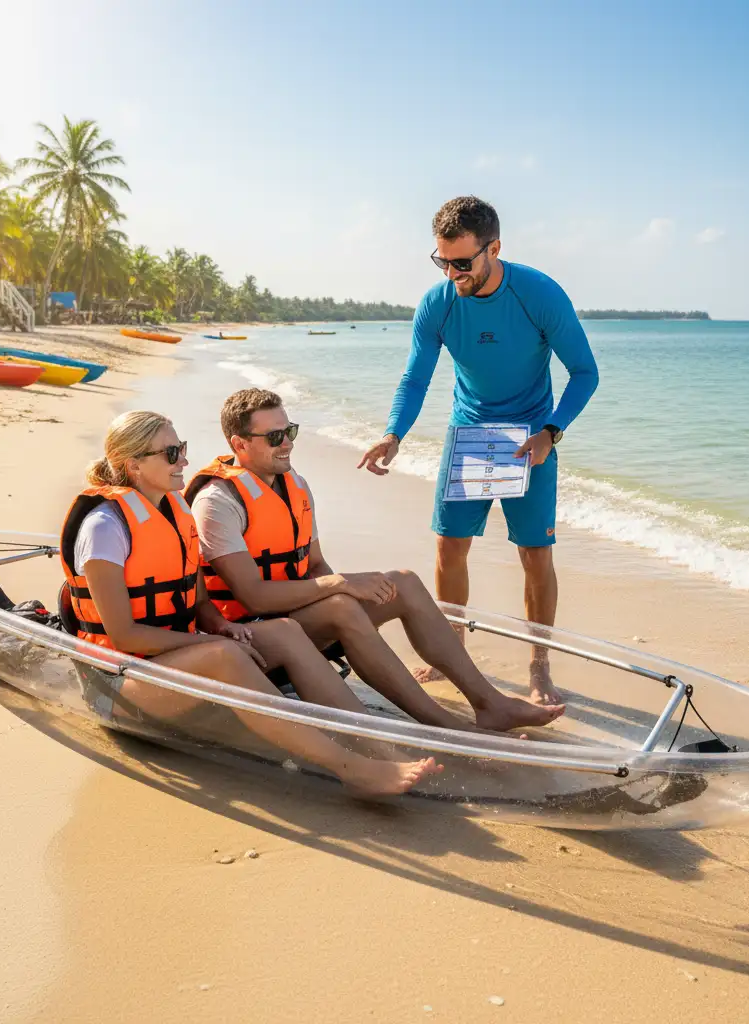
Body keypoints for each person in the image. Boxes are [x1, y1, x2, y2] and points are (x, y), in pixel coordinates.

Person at [59, 409, 438, 796]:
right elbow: (124, 636)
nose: (185, 461)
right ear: (133, 465)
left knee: (286, 632)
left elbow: (199, 600)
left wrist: (221, 626)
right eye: (171, 453)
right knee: (225, 656)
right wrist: (213, 643)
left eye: (182, 449)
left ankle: (379, 749)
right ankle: (350, 768)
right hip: (117, 683)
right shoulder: (105, 529)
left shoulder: (176, 512)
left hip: (173, 661)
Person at [186, 388, 565, 732]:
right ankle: (447, 726)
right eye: (274, 437)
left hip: (300, 618)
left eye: (291, 432)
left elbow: (315, 563)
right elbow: (253, 598)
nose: (287, 443)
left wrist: (346, 594)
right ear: (239, 443)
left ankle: (490, 704)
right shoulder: (218, 502)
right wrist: (340, 589)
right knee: (341, 607)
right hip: (252, 638)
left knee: (404, 582)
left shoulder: (294, 485)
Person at [357, 196, 599, 706]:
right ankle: (450, 653)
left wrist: (550, 432)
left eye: (462, 262)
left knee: (535, 555)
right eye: (441, 260)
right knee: (449, 546)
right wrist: (393, 433)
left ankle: (539, 665)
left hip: (530, 438)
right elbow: (415, 376)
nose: (451, 273)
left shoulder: (539, 294)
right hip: (469, 433)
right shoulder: (438, 302)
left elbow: (585, 372)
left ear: (494, 249)